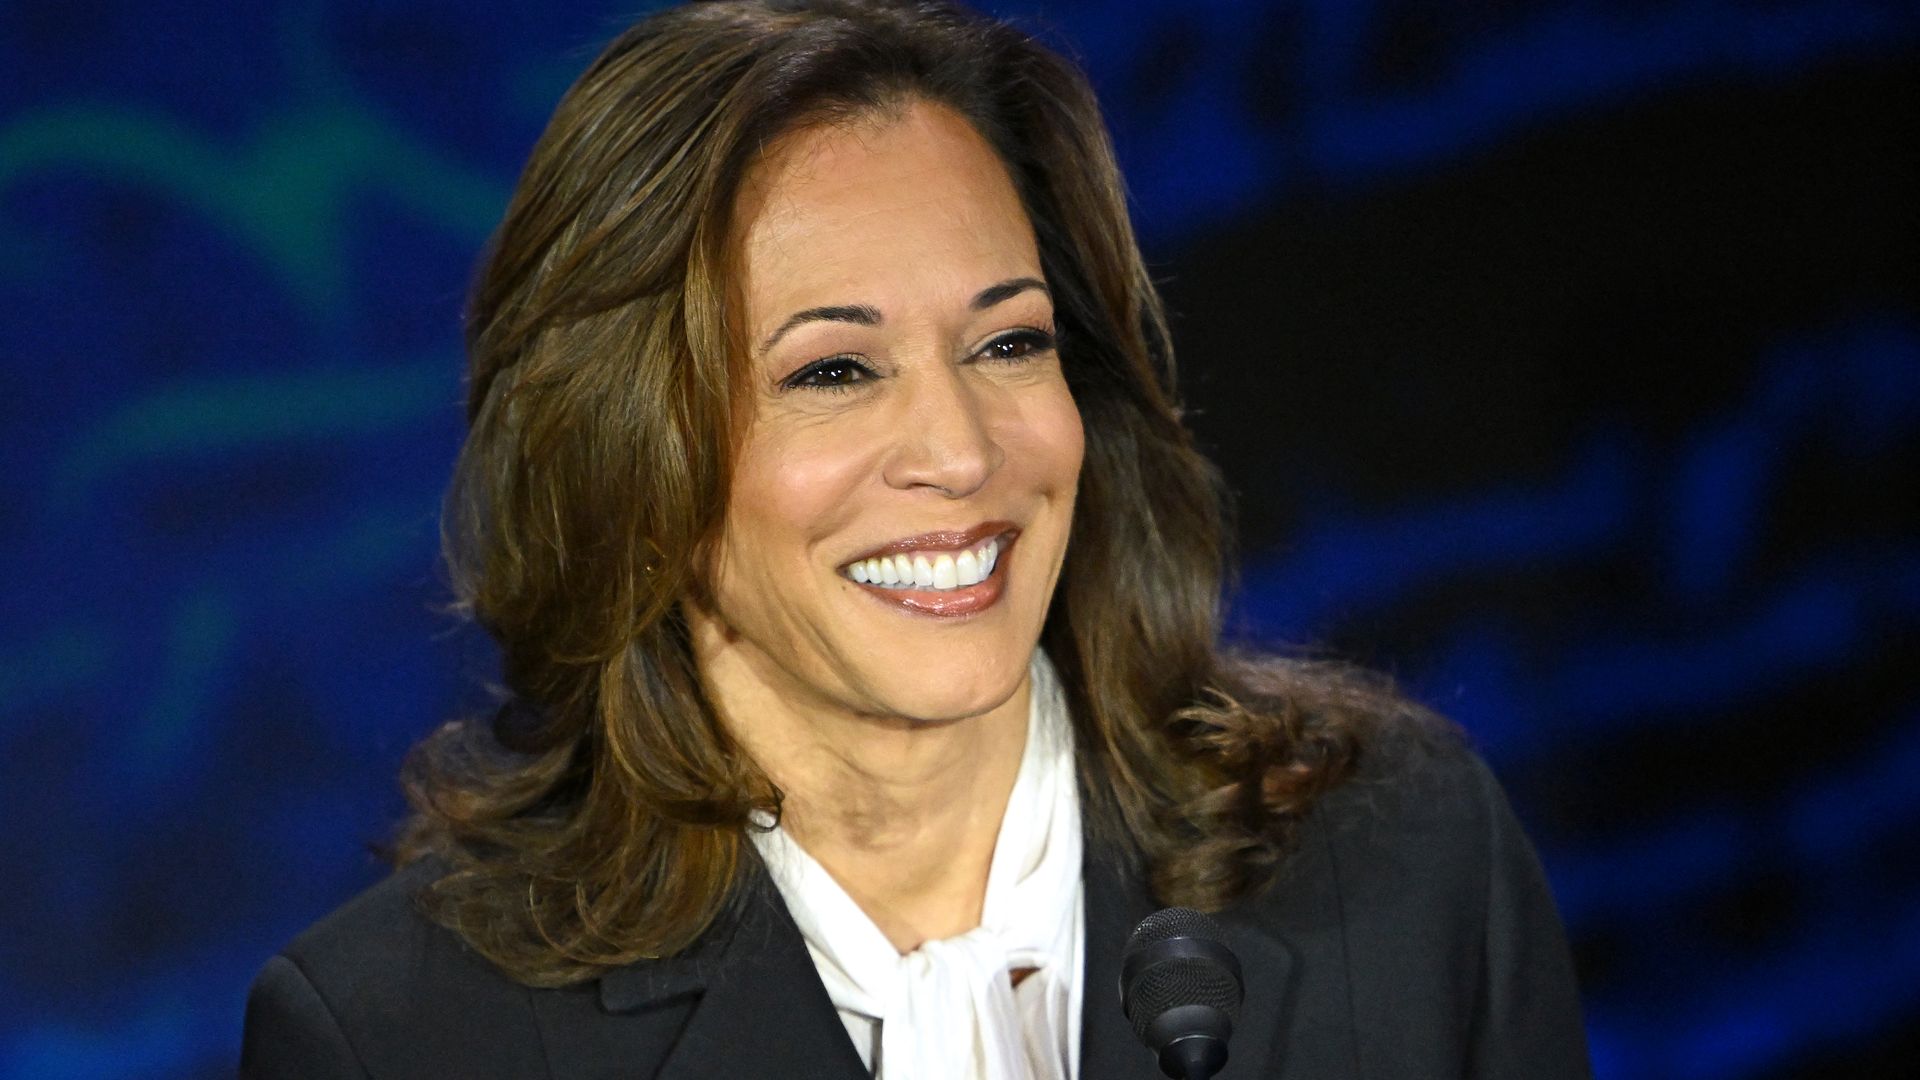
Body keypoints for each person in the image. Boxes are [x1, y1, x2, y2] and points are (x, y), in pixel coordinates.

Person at [241, 1, 1592, 1077]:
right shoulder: (399, 1039)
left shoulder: (1402, 862)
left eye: (1009, 343)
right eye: (836, 370)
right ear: (623, 455)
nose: (960, 453)